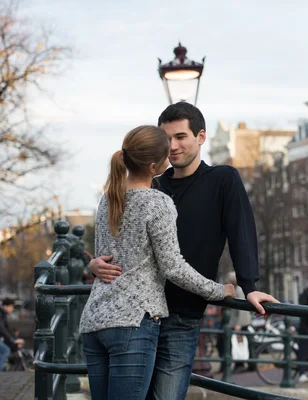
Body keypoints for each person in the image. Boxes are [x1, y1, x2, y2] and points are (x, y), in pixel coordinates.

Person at [89, 102, 277, 400]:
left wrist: (249, 286)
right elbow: (118, 240)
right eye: (167, 140)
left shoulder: (222, 179)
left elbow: (241, 231)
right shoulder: (150, 187)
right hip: (139, 314)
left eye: (180, 137)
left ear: (201, 137)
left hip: (182, 313)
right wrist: (94, 264)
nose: (173, 146)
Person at [79, 125, 236, 400]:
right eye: (166, 153)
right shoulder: (157, 203)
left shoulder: (108, 199)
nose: (171, 155)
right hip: (132, 322)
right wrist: (219, 291)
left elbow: (103, 258)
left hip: (95, 320)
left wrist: (93, 266)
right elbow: (173, 267)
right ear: (154, 165)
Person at [217, 272, 254, 373]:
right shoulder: (237, 290)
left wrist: (238, 324)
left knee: (238, 344)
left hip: (239, 323)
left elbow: (241, 309)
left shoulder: (239, 290)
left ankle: (240, 365)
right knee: (241, 344)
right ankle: (245, 364)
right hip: (238, 322)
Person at [0, 298, 25, 371]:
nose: (12, 309)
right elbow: (2, 329)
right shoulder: (0, 313)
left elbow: (6, 328)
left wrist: (14, 338)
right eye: (11, 306)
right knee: (6, 349)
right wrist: (11, 339)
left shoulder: (3, 314)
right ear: (6, 306)